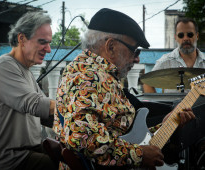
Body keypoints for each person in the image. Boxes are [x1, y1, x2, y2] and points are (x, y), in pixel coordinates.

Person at [53, 8, 195, 169]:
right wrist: (138, 155)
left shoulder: (97, 73)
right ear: (111, 46)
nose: (137, 58)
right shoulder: (89, 77)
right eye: (134, 50)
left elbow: (121, 138)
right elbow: (81, 137)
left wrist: (166, 126)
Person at [0, 12, 57, 170]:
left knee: (68, 155)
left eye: (49, 43)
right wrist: (74, 107)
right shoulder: (2, 66)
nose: (49, 49)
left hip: (28, 150)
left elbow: (45, 114)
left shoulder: (26, 71)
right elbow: (35, 104)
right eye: (42, 42)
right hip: (7, 158)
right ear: (22, 39)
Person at [143, 18, 205, 93]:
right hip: (173, 104)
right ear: (175, 37)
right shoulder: (165, 61)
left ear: (197, 36)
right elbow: (147, 83)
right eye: (181, 35)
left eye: (190, 34)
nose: (185, 38)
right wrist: (158, 104)